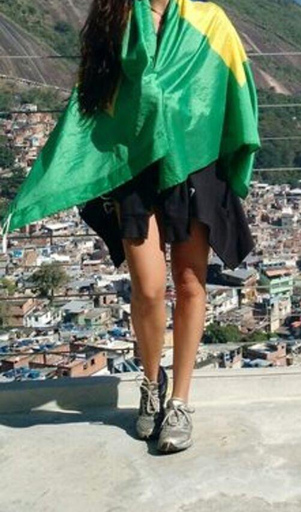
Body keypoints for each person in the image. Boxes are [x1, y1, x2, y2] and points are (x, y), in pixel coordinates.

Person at [0, 0, 260, 453]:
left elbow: (234, 87)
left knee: (191, 281)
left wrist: (230, 150)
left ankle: (179, 401)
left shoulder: (209, 20)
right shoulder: (115, 20)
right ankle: (150, 382)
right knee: (147, 287)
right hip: (135, 168)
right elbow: (92, 105)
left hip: (195, 163)